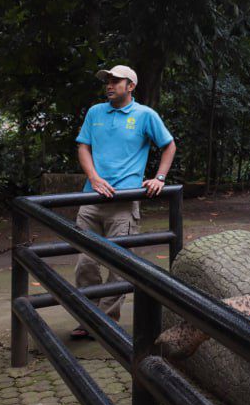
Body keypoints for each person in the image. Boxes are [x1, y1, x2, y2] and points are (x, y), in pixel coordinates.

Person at [71, 64, 176, 339]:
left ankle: (105, 321)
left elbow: (169, 145)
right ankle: (88, 316)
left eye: (116, 81)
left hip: (124, 202)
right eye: (107, 80)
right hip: (91, 198)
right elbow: (83, 146)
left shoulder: (145, 115)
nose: (109, 85)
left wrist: (160, 178)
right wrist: (93, 178)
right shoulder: (95, 112)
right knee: (85, 262)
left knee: (119, 265)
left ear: (130, 86)